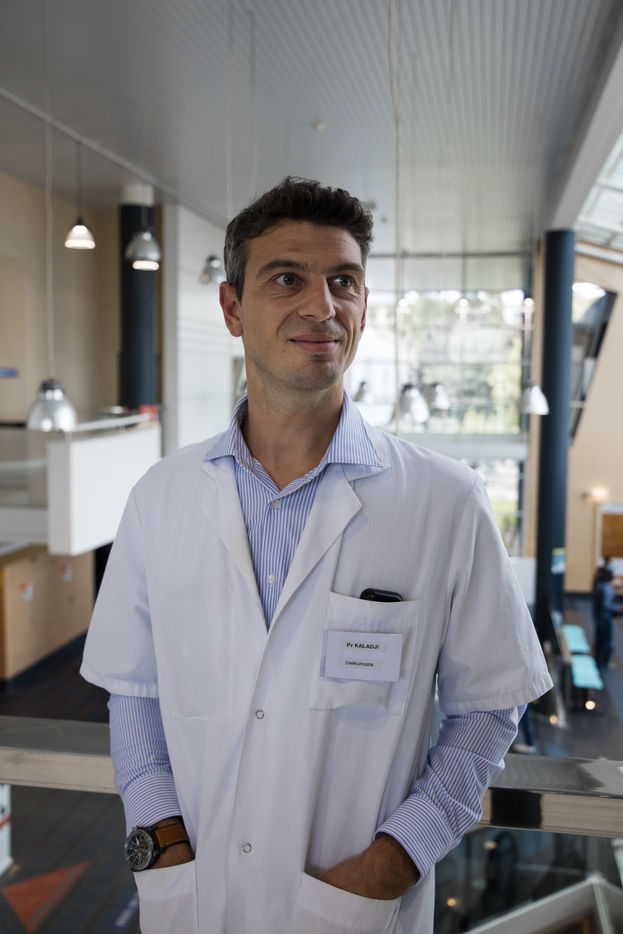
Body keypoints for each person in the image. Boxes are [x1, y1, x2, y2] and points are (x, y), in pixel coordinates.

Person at [81, 177, 553, 934]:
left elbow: (491, 707)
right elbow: (132, 693)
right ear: (232, 309)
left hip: (356, 908)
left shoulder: (445, 500)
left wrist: (392, 861)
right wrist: (162, 850)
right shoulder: (160, 498)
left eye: (344, 281)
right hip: (194, 903)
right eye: (286, 279)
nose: (322, 306)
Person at [593, 567, 622, 669]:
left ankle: (598, 660)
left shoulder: (602, 586)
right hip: (605, 619)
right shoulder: (609, 591)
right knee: (606, 642)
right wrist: (618, 609)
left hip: (598, 617)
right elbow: (607, 606)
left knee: (599, 640)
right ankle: (604, 663)